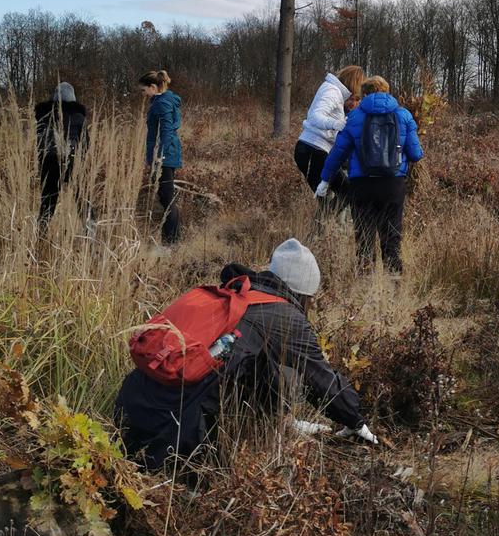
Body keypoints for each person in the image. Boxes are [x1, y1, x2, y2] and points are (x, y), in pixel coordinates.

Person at [114, 238, 377, 470]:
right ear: (302, 293)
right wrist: (354, 420)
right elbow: (320, 377)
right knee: (274, 370)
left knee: (263, 363)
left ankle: (282, 421)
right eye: (311, 299)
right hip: (177, 431)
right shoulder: (285, 315)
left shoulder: (238, 291)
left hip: (132, 407)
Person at [317, 76, 423, 274]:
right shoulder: (404, 115)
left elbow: (338, 152)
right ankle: (393, 284)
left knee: (364, 237)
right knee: (391, 235)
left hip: (362, 185)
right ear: (387, 91)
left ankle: (364, 284)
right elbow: (416, 154)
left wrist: (325, 179)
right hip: (393, 184)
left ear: (365, 94)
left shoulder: (354, 117)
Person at [293, 65, 365, 204]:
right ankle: (327, 216)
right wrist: (336, 124)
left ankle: (326, 217)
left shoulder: (335, 92)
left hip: (311, 150)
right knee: (348, 194)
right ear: (354, 83)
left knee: (327, 201)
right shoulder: (332, 91)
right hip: (314, 151)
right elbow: (315, 116)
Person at [139, 69, 182, 245]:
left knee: (167, 199)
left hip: (165, 157)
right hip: (165, 155)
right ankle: (172, 241)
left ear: (153, 87)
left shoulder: (162, 103)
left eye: (144, 90)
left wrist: (160, 156)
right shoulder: (162, 101)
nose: (143, 94)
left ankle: (170, 243)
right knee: (166, 198)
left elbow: (167, 130)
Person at [34, 81, 88, 224]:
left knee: (48, 201)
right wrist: (81, 161)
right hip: (73, 160)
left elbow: (39, 141)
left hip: (49, 161)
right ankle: (90, 230)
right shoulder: (79, 117)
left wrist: (42, 160)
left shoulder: (43, 116)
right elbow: (85, 144)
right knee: (82, 197)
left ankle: (41, 231)